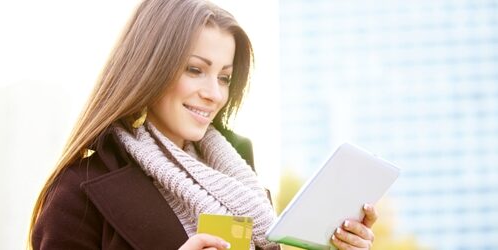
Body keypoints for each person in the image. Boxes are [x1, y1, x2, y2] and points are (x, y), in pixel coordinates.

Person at [28, 0, 377, 249]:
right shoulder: (78, 192)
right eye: (195, 70)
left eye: (224, 77)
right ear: (150, 68)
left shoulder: (240, 181)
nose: (214, 94)